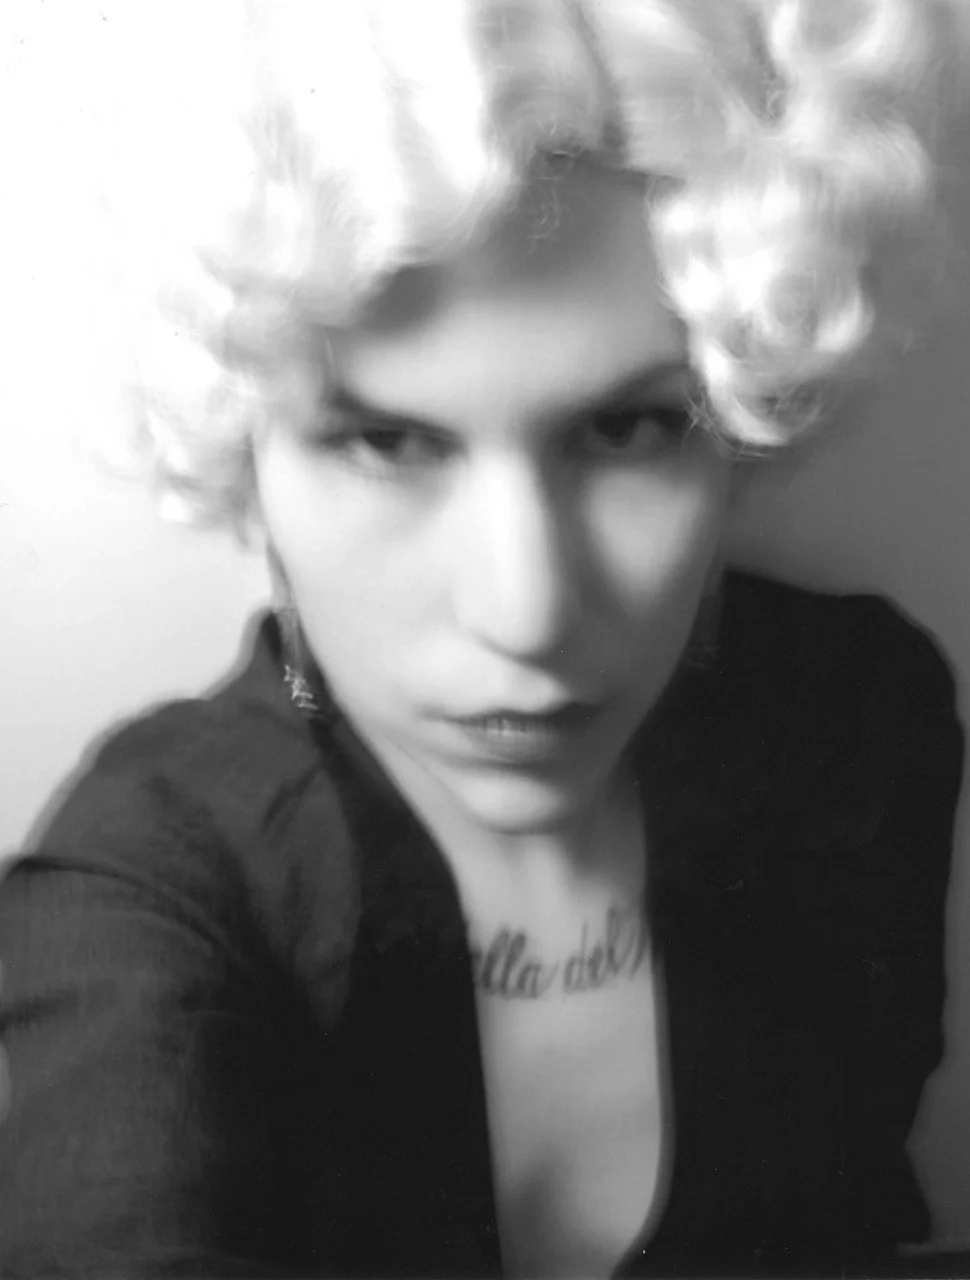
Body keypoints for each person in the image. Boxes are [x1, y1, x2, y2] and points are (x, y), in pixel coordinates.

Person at [0, 1, 967, 1276]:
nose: (527, 611)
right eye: (386, 441)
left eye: (627, 428)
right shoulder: (147, 885)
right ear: (244, 447)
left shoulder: (858, 722)